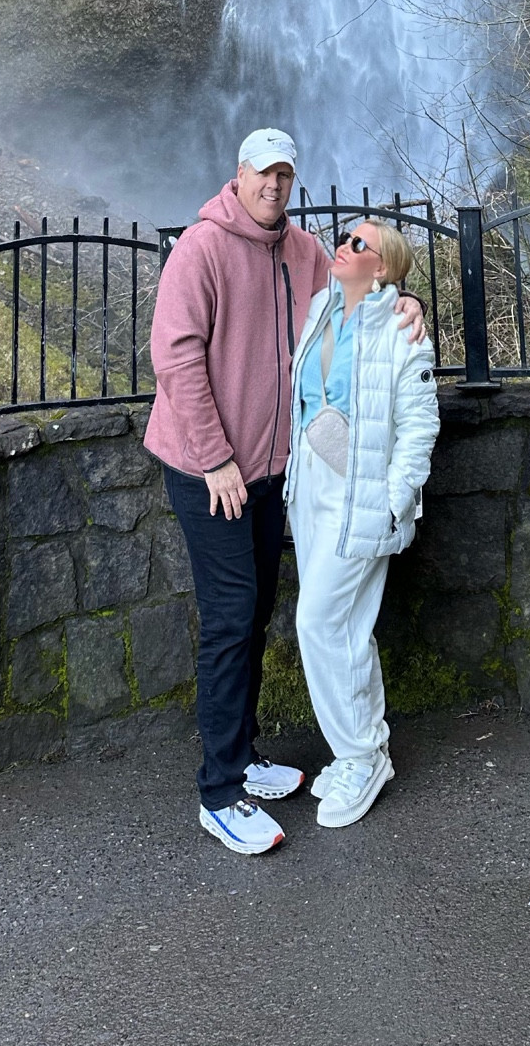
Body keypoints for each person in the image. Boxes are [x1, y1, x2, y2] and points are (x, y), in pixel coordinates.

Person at [145, 129, 425, 856]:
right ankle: (219, 790)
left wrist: (409, 300)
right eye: (263, 173)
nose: (274, 185)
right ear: (238, 175)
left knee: (259, 612)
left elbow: (360, 292)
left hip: (273, 475)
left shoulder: (302, 253)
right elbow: (174, 358)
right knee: (233, 619)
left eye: (285, 174)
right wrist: (213, 460)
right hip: (210, 472)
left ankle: (244, 754)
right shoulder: (200, 250)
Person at [287, 216, 440, 829]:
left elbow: (420, 427)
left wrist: (392, 497)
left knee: (318, 620)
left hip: (362, 493)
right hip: (312, 488)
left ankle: (358, 757)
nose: (342, 246)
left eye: (358, 244)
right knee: (346, 628)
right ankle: (367, 749)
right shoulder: (322, 306)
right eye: (343, 237)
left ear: (382, 267)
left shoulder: (404, 332)